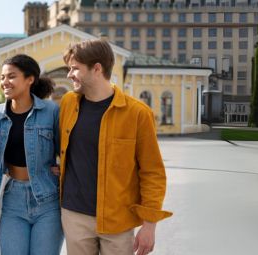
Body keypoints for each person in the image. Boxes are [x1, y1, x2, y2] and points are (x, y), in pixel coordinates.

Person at [58, 39, 173, 255]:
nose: (69, 74)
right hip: (75, 216)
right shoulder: (67, 103)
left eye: (75, 69)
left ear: (97, 68)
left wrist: (150, 225)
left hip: (118, 221)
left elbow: (152, 173)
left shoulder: (138, 113)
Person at [0, 54, 63, 254]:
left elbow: (66, 149)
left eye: (11, 76)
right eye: (2, 77)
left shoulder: (51, 111)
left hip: (47, 199)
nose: (5, 82)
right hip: (12, 199)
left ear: (30, 79)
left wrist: (65, 168)